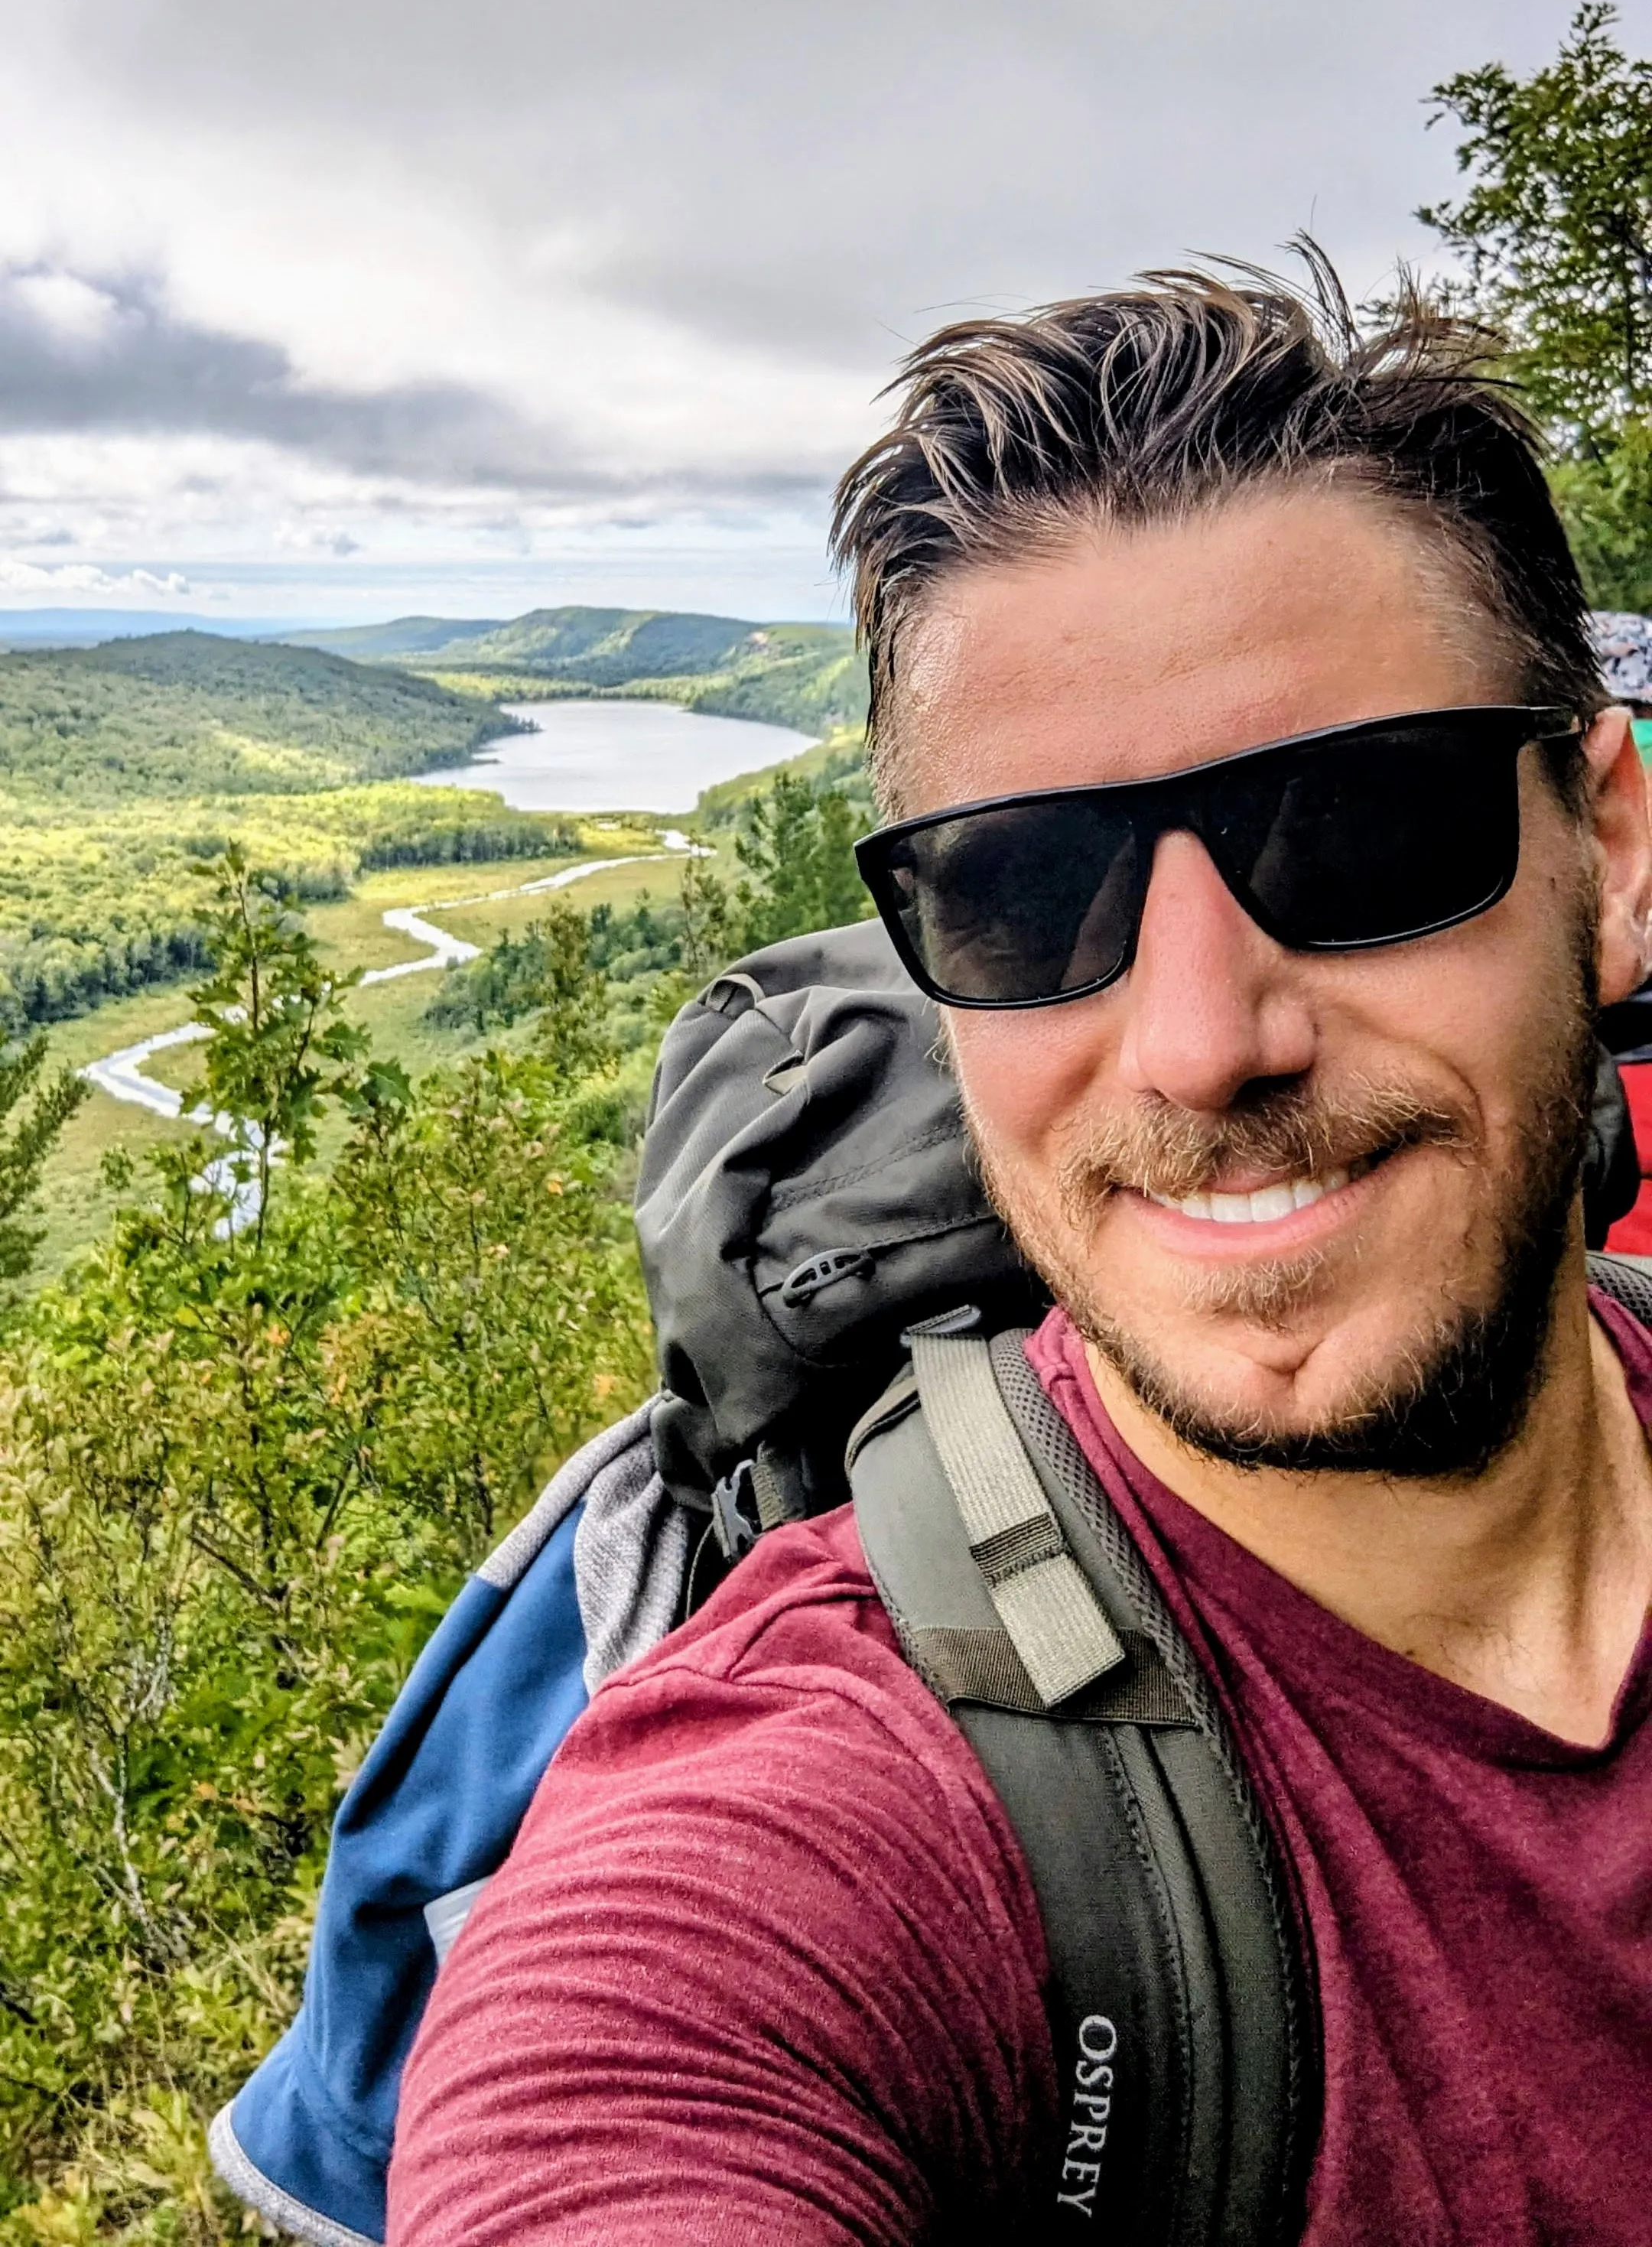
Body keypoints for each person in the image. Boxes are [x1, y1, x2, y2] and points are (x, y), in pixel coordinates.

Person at [385, 257, 1652, 2245]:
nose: (1204, 1037)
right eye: (1029, 893)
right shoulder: (812, 1817)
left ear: (1616, 859)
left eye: (1355, 831)